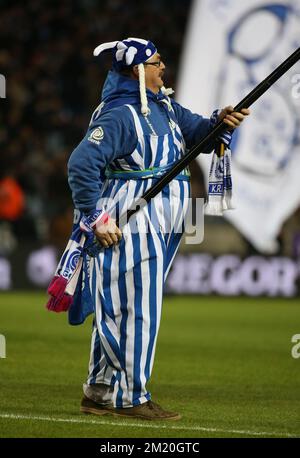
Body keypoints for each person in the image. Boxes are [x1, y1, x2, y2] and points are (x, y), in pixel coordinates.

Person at [67, 37, 250, 420]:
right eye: (156, 62)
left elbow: (198, 133)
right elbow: (82, 163)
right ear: (137, 72)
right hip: (131, 221)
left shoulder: (163, 106)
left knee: (121, 307)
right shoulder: (119, 115)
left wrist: (219, 122)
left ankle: (100, 391)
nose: (162, 66)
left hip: (159, 224)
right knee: (139, 309)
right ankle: (132, 397)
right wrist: (95, 218)